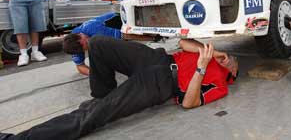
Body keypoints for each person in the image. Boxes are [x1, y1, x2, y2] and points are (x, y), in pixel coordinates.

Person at [0, 36, 238, 140]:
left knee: (91, 116)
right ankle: (103, 98)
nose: (232, 60)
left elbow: (189, 102)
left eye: (234, 63)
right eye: (233, 57)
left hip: (161, 84)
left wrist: (202, 67)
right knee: (98, 44)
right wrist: (217, 53)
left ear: (234, 74)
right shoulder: (215, 56)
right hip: (156, 58)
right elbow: (184, 43)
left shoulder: (220, 85)